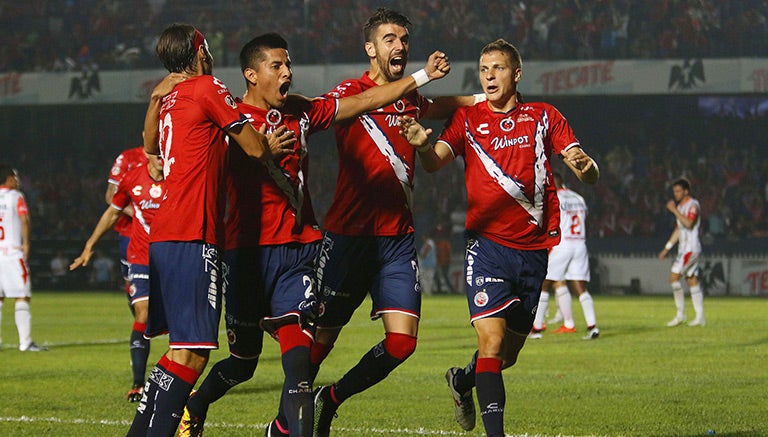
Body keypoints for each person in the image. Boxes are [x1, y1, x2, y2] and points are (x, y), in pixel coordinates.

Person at [176, 32, 450, 437]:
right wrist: (257, 149)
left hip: (297, 251)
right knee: (243, 363)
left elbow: (364, 101)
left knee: (300, 364)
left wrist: (422, 76)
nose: (288, 72)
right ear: (252, 74)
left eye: (289, 65)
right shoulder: (227, 116)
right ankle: (195, 404)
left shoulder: (302, 112)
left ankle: (285, 431)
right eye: (277, 66)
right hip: (245, 255)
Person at [398, 39, 598, 436]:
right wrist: (422, 146)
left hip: (534, 250)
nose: (489, 75)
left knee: (507, 355)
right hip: (486, 247)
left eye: (498, 68)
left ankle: (463, 380)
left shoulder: (544, 116)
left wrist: (586, 166)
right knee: (491, 342)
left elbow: (584, 169)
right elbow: (436, 162)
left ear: (516, 73)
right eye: (483, 68)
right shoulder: (469, 119)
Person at [309, 8, 478, 437]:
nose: (399, 45)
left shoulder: (410, 99)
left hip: (396, 240)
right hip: (348, 237)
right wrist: (421, 77)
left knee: (402, 343)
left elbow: (440, 106)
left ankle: (329, 400)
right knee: (317, 345)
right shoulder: (350, 90)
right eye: (389, 39)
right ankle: (286, 422)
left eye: (403, 38)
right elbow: (368, 104)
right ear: (370, 48)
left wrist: (484, 100)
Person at [126, 23, 292, 436]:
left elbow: (149, 148)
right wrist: (268, 146)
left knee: (179, 350)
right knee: (195, 351)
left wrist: (152, 99)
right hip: (193, 231)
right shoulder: (206, 87)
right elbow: (253, 147)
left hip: (163, 233)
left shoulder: (169, 97)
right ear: (200, 51)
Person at [70, 152, 166, 402]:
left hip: (171, 258)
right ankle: (138, 383)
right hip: (140, 255)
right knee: (142, 314)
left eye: (164, 152)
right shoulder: (131, 178)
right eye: (156, 154)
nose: (161, 158)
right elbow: (111, 212)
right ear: (148, 155)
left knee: (178, 320)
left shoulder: (179, 177)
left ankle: (173, 382)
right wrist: (89, 245)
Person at [530, 172, 600, 340]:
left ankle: (537, 329)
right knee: (580, 287)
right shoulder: (579, 198)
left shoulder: (554, 198)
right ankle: (593, 327)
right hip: (580, 244)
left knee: (544, 284)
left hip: (562, 244)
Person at [0, 166, 47, 352]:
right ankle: (25, 342)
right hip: (12, 252)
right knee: (22, 295)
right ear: (8, 178)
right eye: (15, 176)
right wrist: (26, 243)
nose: (17, 180)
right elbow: (24, 219)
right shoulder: (15, 196)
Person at [658, 177, 705, 327]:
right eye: (674, 191)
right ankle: (700, 317)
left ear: (686, 191)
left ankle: (680, 315)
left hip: (690, 249)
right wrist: (667, 248)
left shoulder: (693, 205)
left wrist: (674, 211)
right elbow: (679, 230)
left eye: (678, 191)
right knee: (691, 280)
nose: (676, 194)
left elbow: (689, 224)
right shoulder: (681, 208)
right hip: (683, 249)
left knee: (673, 278)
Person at [106, 145, 148, 301]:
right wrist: (138, 213)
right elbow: (110, 195)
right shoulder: (127, 159)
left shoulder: (167, 158)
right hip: (129, 233)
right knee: (132, 283)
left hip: (160, 234)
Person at [434, 226, 457, 293]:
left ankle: (452, 290)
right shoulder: (437, 243)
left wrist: (448, 260)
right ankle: (439, 290)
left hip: (445, 262)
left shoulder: (444, 243)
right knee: (437, 276)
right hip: (438, 262)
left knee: (445, 276)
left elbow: (449, 252)